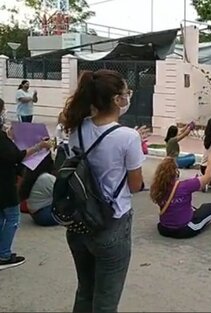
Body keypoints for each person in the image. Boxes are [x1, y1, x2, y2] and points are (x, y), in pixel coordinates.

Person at [62, 69, 146, 312]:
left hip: (79, 221)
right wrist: (135, 146)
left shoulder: (76, 127)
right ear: (116, 100)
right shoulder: (128, 137)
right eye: (125, 93)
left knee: (85, 291)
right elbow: (136, 185)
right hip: (111, 223)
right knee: (106, 300)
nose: (127, 97)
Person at [0, 98, 52, 270]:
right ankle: (4, 255)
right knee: (12, 217)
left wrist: (8, 137)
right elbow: (15, 156)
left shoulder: (3, 137)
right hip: (4, 184)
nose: (4, 114)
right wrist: (38, 147)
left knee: (2, 217)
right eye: (3, 110)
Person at [151, 152, 211, 239]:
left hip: (164, 228)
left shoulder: (158, 188)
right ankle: (209, 219)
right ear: (175, 172)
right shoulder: (185, 186)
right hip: (184, 229)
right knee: (210, 207)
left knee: (188, 206)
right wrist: (210, 160)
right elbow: (208, 177)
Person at [18, 154, 59, 227]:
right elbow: (62, 193)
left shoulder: (31, 177)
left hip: (35, 213)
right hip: (44, 214)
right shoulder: (47, 178)